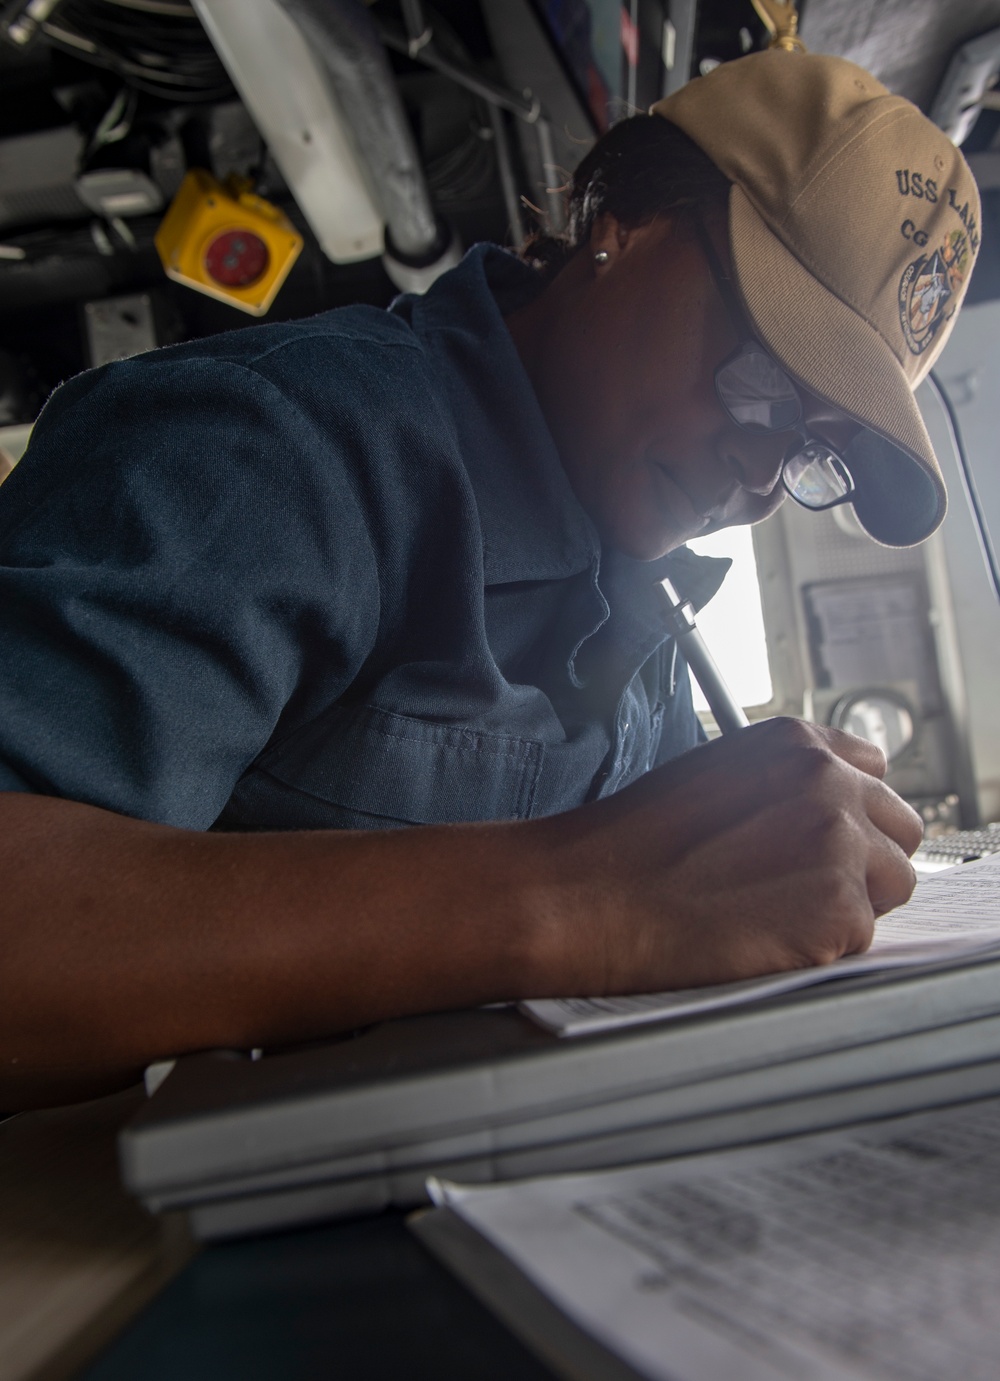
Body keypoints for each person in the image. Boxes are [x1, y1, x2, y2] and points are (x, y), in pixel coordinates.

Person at [0, 49, 980, 1108]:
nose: (758, 475)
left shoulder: (646, 607)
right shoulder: (275, 448)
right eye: (758, 383)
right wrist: (589, 892)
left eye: (812, 455)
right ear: (624, 221)